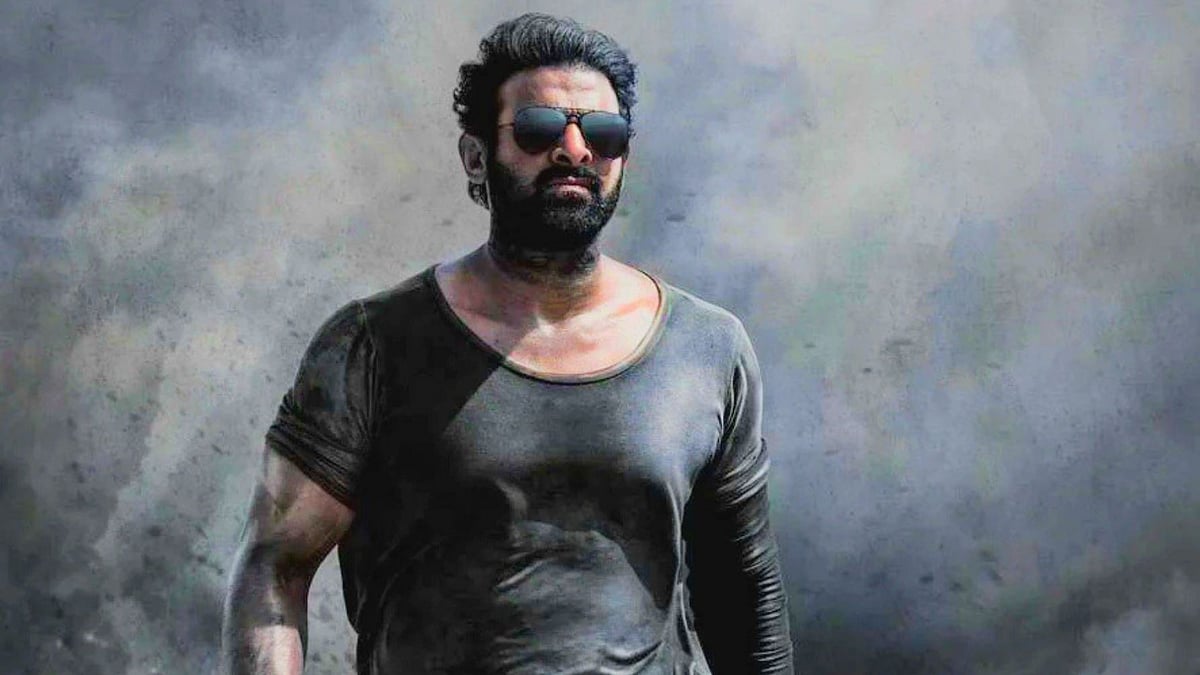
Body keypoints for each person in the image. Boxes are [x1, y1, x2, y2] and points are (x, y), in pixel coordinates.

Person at [222, 13, 793, 674]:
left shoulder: (707, 347)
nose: (575, 150)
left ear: (623, 158)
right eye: (539, 129)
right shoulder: (374, 346)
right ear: (476, 156)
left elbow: (742, 592)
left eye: (603, 133)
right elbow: (275, 567)